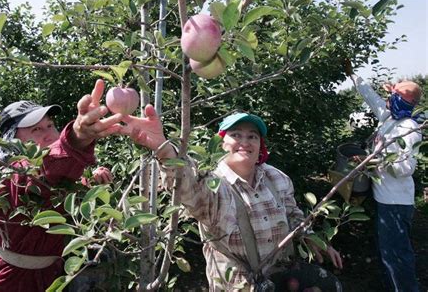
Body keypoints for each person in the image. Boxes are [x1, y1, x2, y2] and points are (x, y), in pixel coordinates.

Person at [120, 105, 343, 291]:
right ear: (221, 144)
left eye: (252, 136)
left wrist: (315, 240)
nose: (244, 141)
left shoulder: (276, 178)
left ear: (260, 146)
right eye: (235, 135)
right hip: (238, 285)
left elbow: (294, 216)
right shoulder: (213, 184)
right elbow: (187, 187)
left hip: (283, 278)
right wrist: (164, 150)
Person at [0, 80, 120, 291]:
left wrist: (89, 181)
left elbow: (57, 186)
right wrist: (77, 138)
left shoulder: (44, 172)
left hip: (50, 271)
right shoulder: (9, 176)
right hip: (15, 280)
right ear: (12, 141)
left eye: (50, 126)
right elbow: (38, 175)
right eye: (36, 129)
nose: (49, 135)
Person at [346, 63, 423, 292]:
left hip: (396, 204)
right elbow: (370, 96)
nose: (387, 100)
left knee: (397, 256)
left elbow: (406, 168)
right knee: (388, 252)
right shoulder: (388, 117)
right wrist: (352, 74)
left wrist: (374, 161)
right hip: (384, 198)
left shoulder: (408, 128)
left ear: (402, 101)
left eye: (393, 96)